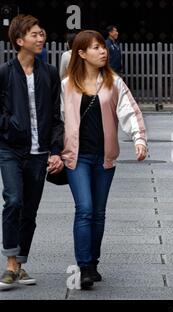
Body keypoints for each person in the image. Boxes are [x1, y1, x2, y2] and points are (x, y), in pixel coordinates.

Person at [61, 30, 148, 289]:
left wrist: (139, 139)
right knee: (85, 209)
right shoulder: (66, 85)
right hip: (76, 158)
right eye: (96, 47)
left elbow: (130, 112)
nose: (103, 51)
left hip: (104, 157)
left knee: (98, 213)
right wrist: (54, 152)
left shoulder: (113, 82)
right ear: (81, 53)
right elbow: (55, 120)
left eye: (103, 47)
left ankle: (93, 262)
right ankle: (84, 265)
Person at [0, 15, 64, 290]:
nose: (41, 38)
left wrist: (55, 150)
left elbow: (56, 115)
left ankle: (20, 265)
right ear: (19, 40)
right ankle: (10, 264)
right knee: (13, 200)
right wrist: (11, 127)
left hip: (40, 152)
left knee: (30, 210)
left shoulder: (49, 72)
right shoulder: (4, 73)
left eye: (42, 33)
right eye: (35, 34)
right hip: (10, 148)